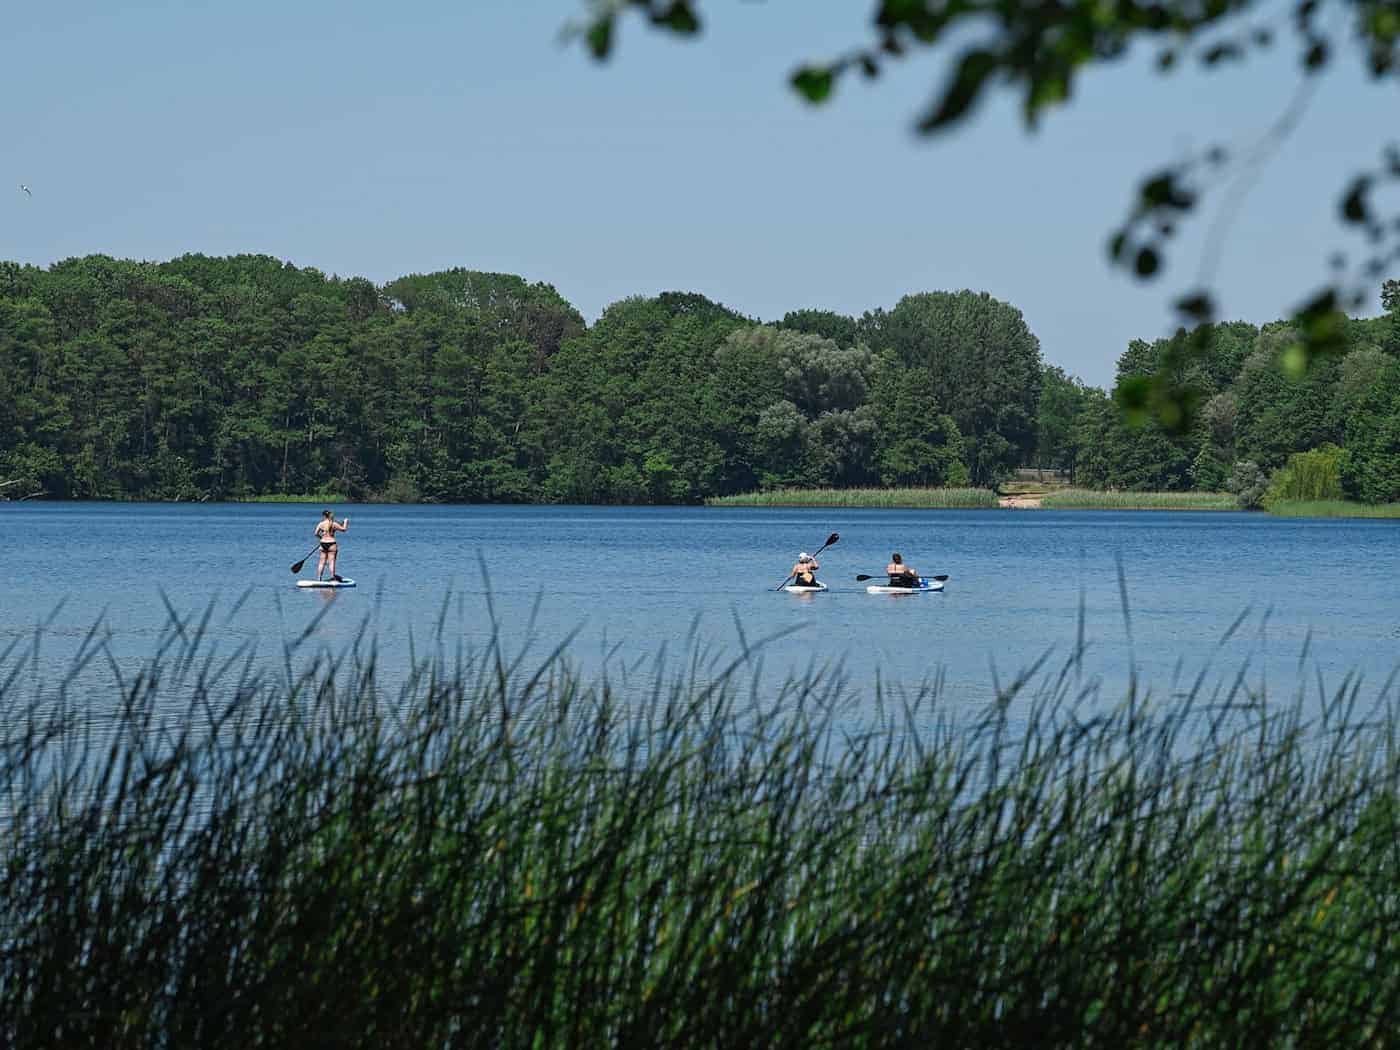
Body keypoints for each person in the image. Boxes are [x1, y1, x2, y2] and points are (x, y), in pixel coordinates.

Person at [314, 509, 349, 581]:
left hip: (323, 543)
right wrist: (346, 522)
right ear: (330, 515)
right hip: (332, 544)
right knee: (331, 561)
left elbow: (316, 534)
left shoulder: (321, 524)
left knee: (321, 562)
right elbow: (344, 529)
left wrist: (322, 538)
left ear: (324, 516)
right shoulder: (334, 524)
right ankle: (333, 577)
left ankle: (319, 578)